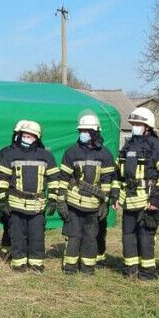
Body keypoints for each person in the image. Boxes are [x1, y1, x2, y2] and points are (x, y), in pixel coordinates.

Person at [0, 120, 61, 273]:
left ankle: (36, 263)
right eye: (24, 135)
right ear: (19, 136)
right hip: (16, 204)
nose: (27, 138)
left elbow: (53, 179)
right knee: (18, 236)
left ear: (37, 137)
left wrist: (52, 199)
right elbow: (2, 178)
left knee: (37, 236)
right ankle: (18, 263)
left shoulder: (46, 156)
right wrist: (3, 199)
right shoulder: (10, 155)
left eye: (30, 136)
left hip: (37, 205)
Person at [117, 107, 159, 279]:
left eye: (138, 124)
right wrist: (115, 195)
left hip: (148, 201)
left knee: (145, 237)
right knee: (128, 237)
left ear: (147, 126)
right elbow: (118, 174)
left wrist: (156, 199)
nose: (134, 126)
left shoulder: (157, 146)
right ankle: (130, 270)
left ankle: (147, 272)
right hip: (129, 200)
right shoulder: (128, 145)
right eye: (133, 123)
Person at [59, 114, 117, 275]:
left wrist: (105, 202)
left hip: (93, 205)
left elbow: (107, 181)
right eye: (81, 130)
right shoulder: (71, 152)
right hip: (73, 203)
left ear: (95, 132)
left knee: (90, 237)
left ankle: (87, 268)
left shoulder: (105, 154)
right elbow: (63, 179)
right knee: (73, 235)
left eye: (86, 130)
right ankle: (70, 267)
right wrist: (61, 201)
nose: (83, 133)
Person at [0, 122, 25, 261]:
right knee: (9, 224)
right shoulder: (5, 152)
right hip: (8, 196)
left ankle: (24, 251)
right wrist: (0, 196)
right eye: (19, 134)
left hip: (28, 198)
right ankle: (7, 250)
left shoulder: (36, 153)